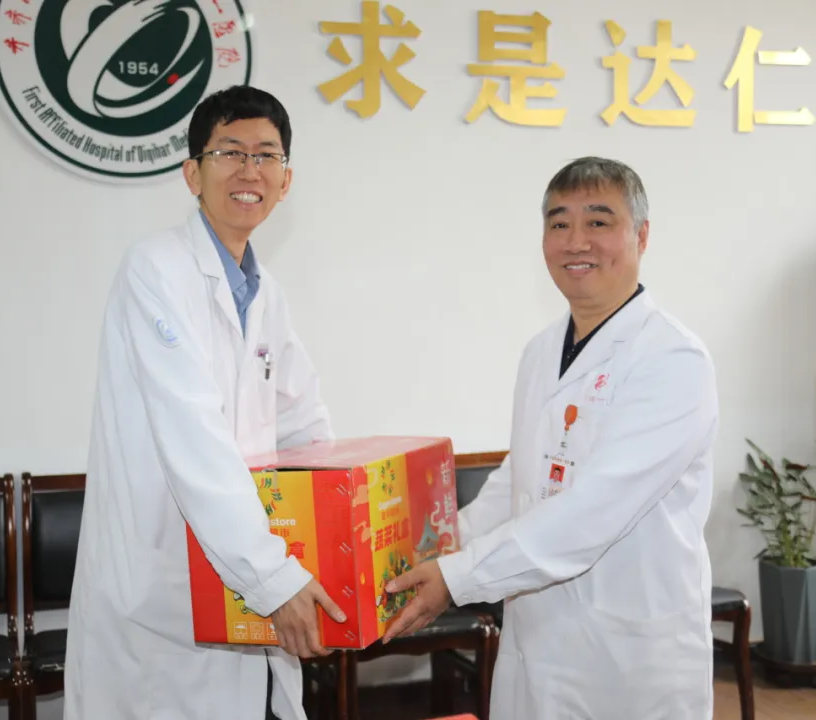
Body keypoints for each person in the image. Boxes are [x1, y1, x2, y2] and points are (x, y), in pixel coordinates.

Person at [383, 157, 720, 719]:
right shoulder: (541, 351)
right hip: (537, 641)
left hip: (628, 658)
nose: (576, 241)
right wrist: (441, 546)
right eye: (559, 223)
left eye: (598, 221)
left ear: (641, 235)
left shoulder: (672, 359)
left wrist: (457, 577)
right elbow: (519, 480)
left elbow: (594, 511)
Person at [64, 85, 347, 720]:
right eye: (230, 152)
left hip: (243, 570)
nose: (250, 170)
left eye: (267, 155)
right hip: (163, 588)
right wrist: (272, 576)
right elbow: (193, 436)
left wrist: (334, 540)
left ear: (286, 181)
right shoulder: (155, 269)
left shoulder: (266, 292)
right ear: (192, 173)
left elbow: (305, 423)